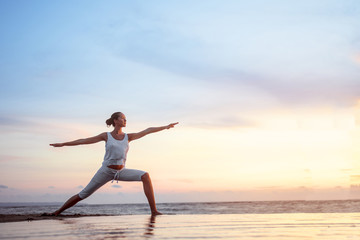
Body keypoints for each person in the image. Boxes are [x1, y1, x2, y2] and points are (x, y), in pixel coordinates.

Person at [49, 112, 178, 216]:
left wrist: (165, 127)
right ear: (116, 121)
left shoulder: (128, 137)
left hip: (121, 171)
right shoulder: (106, 136)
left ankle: (154, 211)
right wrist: (63, 144)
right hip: (105, 171)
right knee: (82, 195)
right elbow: (84, 140)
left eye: (126, 119)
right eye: (123, 118)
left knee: (145, 176)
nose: (126, 120)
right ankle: (57, 212)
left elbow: (147, 130)